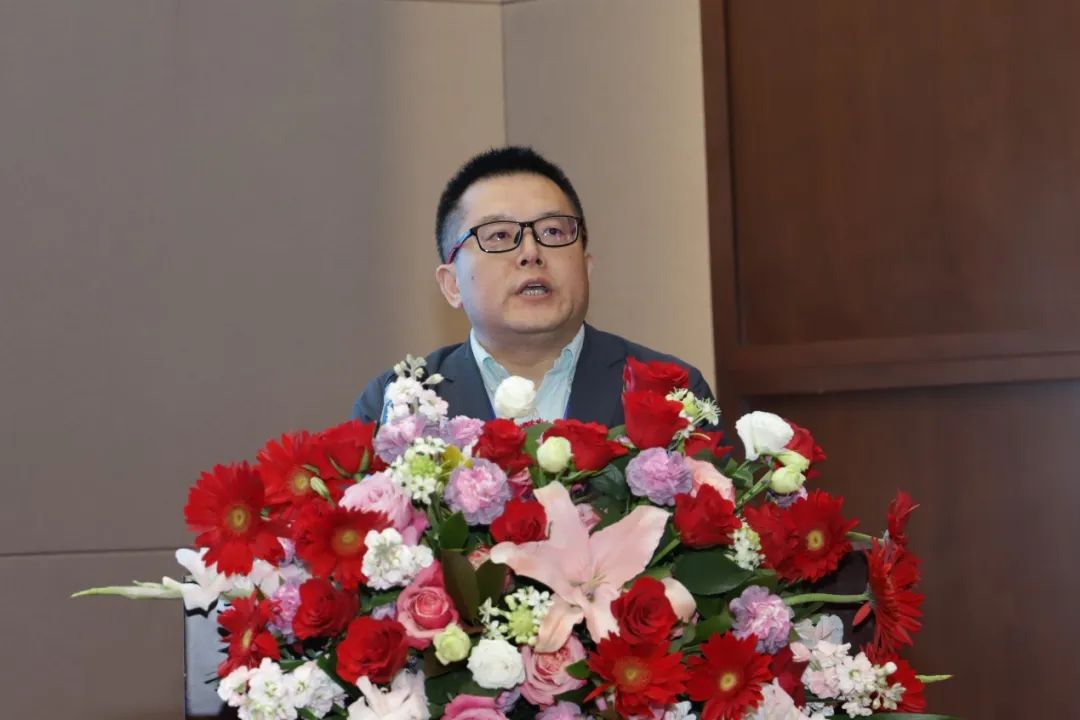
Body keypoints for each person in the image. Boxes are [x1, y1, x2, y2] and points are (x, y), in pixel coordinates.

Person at [352, 146, 714, 426]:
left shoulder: (671, 392)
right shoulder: (397, 403)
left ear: (586, 266)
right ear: (452, 285)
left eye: (553, 231)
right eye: (499, 235)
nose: (530, 253)